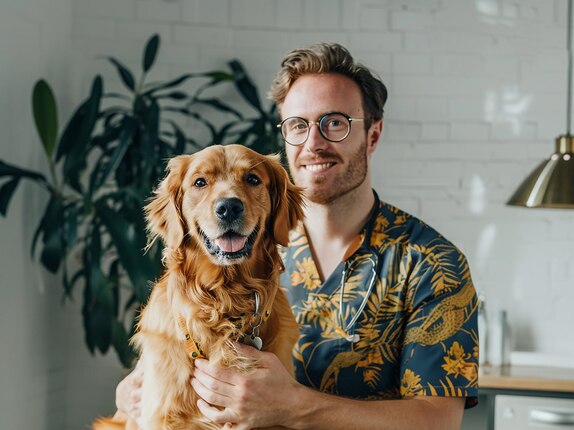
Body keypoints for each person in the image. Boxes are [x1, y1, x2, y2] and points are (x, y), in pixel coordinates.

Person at [116, 43, 479, 430]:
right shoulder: (245, 249)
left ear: (372, 135)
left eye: (335, 122)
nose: (313, 143)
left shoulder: (432, 263)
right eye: (298, 125)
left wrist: (294, 406)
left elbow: (439, 422)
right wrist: (132, 396)